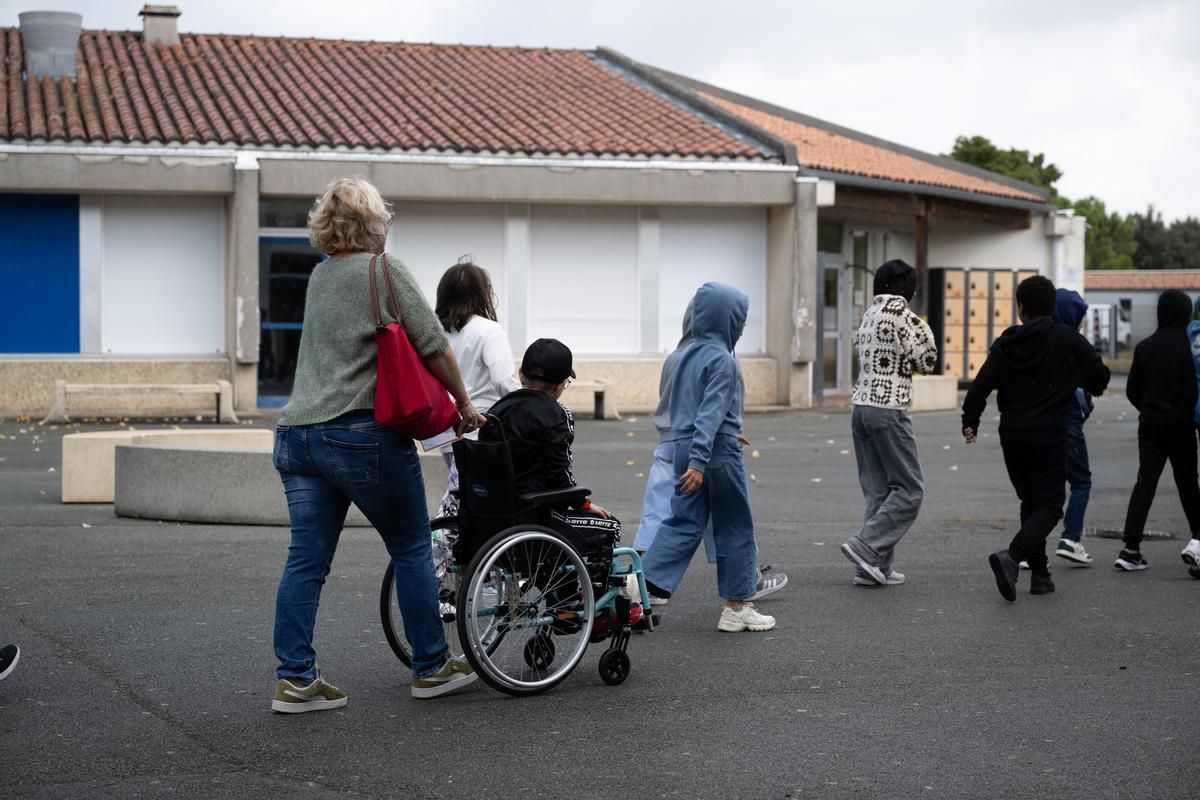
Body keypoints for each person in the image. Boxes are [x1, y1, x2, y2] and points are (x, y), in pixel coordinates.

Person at [271, 176, 486, 713]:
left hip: (298, 435)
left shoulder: (319, 278)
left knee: (306, 561)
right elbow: (433, 344)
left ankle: (295, 678)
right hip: (360, 433)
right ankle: (432, 667)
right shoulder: (384, 270)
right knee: (412, 546)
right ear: (375, 224)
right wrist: (464, 404)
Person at [961, 275, 1109, 601]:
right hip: (1049, 435)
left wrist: (970, 420)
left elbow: (981, 385)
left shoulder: (1006, 343)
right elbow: (1100, 380)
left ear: (1020, 309)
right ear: (1052, 306)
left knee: (1031, 502)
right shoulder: (1067, 340)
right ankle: (1011, 557)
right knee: (1051, 506)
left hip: (1012, 436)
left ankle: (1040, 576)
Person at [638, 282, 774, 632]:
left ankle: (639, 587)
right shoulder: (723, 360)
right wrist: (702, 459)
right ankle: (737, 607)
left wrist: (705, 447)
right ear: (727, 319)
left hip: (683, 447)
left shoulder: (683, 355)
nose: (741, 328)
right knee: (734, 524)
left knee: (683, 522)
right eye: (739, 321)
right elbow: (711, 414)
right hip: (713, 452)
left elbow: (692, 408)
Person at [841, 259, 938, 586]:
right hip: (889, 410)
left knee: (878, 491)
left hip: (861, 409)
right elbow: (927, 362)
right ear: (905, 289)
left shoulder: (867, 316)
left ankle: (873, 568)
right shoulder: (907, 318)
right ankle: (866, 546)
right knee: (910, 489)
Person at [483, 337, 621, 536]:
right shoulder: (556, 414)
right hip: (536, 515)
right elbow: (559, 474)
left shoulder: (497, 410)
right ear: (559, 386)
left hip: (494, 514)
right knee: (610, 526)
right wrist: (582, 503)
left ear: (521, 373)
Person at [1115, 289, 1200, 573]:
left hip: (1149, 423)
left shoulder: (1145, 346)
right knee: (1187, 483)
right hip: (1180, 424)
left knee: (1145, 482)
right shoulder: (1184, 347)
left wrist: (1149, 408)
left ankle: (1130, 548)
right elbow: (1191, 390)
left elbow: (1132, 390)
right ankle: (1197, 540)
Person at [433, 258, 520, 519]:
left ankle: (464, 555)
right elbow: (504, 381)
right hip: (479, 433)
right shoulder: (488, 331)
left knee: (465, 499)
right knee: (465, 503)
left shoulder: (434, 331)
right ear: (483, 293)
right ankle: (438, 555)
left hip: (443, 431)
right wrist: (530, 406)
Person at [1051, 289, 1097, 565]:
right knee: (1081, 481)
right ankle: (1071, 538)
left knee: (1045, 486)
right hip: (1068, 425)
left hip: (1037, 426)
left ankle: (1030, 544)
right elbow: (1087, 389)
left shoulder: (1038, 339)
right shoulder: (1074, 344)